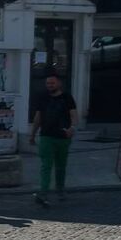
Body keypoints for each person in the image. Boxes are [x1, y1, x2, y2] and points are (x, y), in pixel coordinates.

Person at [30, 74, 77, 206]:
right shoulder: (43, 98)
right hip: (46, 136)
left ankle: (60, 189)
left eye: (52, 83)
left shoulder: (67, 98)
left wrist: (72, 128)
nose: (50, 86)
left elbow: (74, 114)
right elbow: (38, 117)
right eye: (48, 83)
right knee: (46, 165)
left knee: (61, 166)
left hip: (63, 136)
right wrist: (33, 134)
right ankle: (43, 192)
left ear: (59, 84)